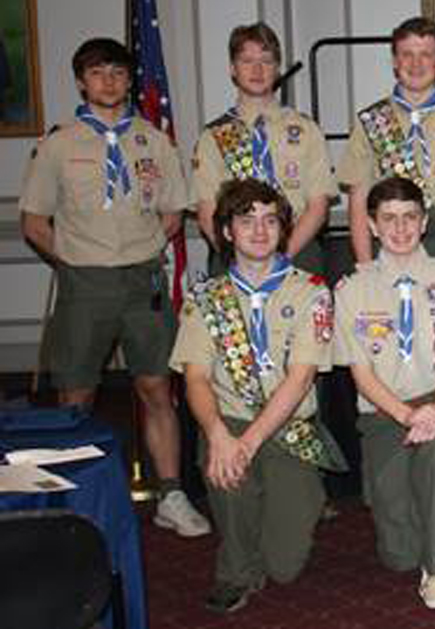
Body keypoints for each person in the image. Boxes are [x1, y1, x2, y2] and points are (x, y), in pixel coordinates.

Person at [19, 38, 210, 538]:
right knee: (77, 392)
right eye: (98, 73)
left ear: (129, 81)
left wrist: (138, 250)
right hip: (85, 283)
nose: (109, 82)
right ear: (82, 82)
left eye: (118, 73)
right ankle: (68, 495)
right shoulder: (59, 144)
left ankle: (171, 494)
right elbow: (34, 221)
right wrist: (77, 261)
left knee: (156, 388)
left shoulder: (153, 140)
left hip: (141, 279)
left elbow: (173, 211)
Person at [170, 179, 345, 612]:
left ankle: (301, 498)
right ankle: (235, 570)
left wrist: (249, 443)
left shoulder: (311, 291)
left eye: (270, 220)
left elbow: (301, 378)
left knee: (285, 566)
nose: (260, 230)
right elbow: (195, 379)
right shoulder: (205, 298)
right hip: (229, 422)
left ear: (283, 229)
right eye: (246, 221)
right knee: (226, 470)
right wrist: (218, 435)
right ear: (227, 231)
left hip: (289, 426)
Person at [333, 177, 435, 609]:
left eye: (409, 217)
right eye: (388, 219)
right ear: (372, 225)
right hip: (383, 411)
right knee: (397, 555)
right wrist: (408, 416)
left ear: (424, 221)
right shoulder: (352, 289)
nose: (400, 229)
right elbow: (362, 376)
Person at [337, 17, 435, 277]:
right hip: (386, 241)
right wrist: (365, 267)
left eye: (426, 55)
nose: (416, 64)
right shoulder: (372, 120)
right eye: (407, 54)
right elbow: (358, 199)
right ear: (395, 62)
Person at [191, 22, 337, 275]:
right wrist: (241, 262)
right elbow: (207, 213)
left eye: (266, 61)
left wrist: (282, 257)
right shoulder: (214, 136)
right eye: (247, 61)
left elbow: (318, 207)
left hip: (297, 252)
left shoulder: (306, 130)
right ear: (232, 69)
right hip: (234, 258)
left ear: (277, 69)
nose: (257, 69)